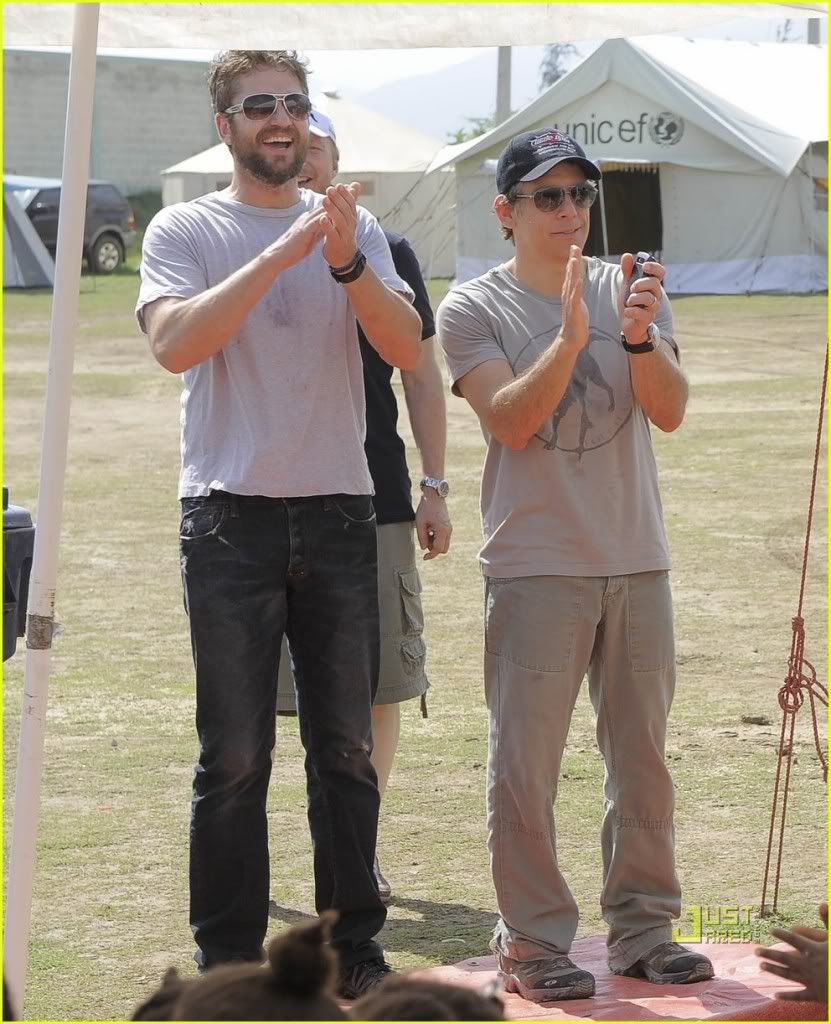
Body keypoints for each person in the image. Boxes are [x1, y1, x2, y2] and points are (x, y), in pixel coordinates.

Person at [136, 49, 422, 998]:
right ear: (226, 128)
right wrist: (281, 252)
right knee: (236, 754)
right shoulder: (186, 226)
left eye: (295, 104)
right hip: (228, 518)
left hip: (340, 510)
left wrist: (341, 257)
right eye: (260, 106)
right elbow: (177, 345)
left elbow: (405, 344)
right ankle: (228, 963)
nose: (282, 119)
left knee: (343, 747)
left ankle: (354, 946)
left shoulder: (355, 225)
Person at [436, 128, 713, 1001]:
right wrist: (569, 337)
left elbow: (667, 411)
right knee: (525, 766)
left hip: (636, 560)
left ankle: (642, 930)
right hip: (534, 566)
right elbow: (510, 423)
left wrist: (635, 339)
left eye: (580, 195)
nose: (568, 212)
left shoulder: (630, 287)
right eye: (547, 197)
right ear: (505, 212)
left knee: (643, 759)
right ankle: (531, 941)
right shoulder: (471, 308)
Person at [275, 108, 452, 902]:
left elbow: (418, 370)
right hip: (259, 500)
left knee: (379, 686)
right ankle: (248, 857)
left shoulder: (389, 249)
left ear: (339, 161)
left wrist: (435, 484)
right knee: (259, 695)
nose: (305, 162)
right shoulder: (232, 239)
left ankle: (358, 852)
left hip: (372, 491)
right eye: (291, 149)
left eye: (317, 148)